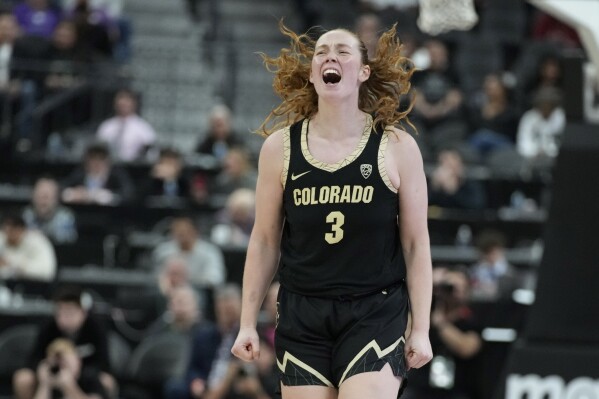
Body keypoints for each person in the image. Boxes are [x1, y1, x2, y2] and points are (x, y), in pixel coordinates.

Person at [230, 23, 433, 399]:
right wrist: (246, 323)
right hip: (302, 312)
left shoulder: (396, 146)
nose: (330, 57)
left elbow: (417, 244)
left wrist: (420, 327)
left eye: (342, 51)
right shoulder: (280, 148)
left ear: (364, 71)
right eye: (321, 52)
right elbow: (263, 240)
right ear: (312, 74)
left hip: (376, 308)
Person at [13, 286, 116, 399]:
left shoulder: (96, 328)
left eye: (69, 313)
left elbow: (103, 364)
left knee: (107, 381)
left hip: (86, 375)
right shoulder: (48, 327)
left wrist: (76, 369)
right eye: (60, 313)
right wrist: (47, 365)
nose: (63, 318)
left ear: (82, 313)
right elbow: (33, 358)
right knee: (23, 377)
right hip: (51, 373)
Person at [402, 266, 483, 399]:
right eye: (449, 287)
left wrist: (441, 324)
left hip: (458, 389)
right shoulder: (424, 315)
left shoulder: (470, 319)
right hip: (420, 387)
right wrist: (428, 289)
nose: (453, 292)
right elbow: (404, 336)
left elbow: (467, 348)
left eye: (458, 288)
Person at [151, 216, 226, 288]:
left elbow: (215, 279)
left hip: (200, 292)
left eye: (185, 231)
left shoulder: (210, 251)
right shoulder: (163, 251)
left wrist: (187, 284)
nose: (182, 235)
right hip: (170, 290)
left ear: (195, 232)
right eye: (178, 231)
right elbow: (156, 276)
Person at [33, 338, 108, 399]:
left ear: (78, 361)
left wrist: (70, 386)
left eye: (66, 362)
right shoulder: (50, 380)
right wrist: (44, 385)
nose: (62, 367)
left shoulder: (89, 377)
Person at [61, 142, 135, 205]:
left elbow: (128, 194)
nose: (97, 163)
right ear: (86, 161)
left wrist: (109, 196)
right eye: (93, 158)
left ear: (108, 161)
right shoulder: (79, 174)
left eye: (101, 158)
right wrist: (72, 193)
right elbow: (62, 187)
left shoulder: (116, 175)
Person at [96, 89, 156, 162]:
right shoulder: (106, 126)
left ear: (134, 104)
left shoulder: (143, 128)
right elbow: (98, 149)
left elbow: (151, 151)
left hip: (135, 166)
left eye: (126, 104)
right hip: (110, 165)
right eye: (121, 104)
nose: (123, 106)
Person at [0, 213, 56, 281]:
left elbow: (47, 272)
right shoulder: (2, 238)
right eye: (5, 230)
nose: (7, 235)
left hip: (35, 286)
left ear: (20, 229)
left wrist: (15, 265)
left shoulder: (37, 241)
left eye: (11, 231)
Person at [22, 176, 78, 244]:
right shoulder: (26, 215)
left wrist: (39, 236)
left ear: (56, 199)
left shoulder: (65, 217)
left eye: (47, 196)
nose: (43, 201)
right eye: (40, 196)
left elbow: (66, 240)